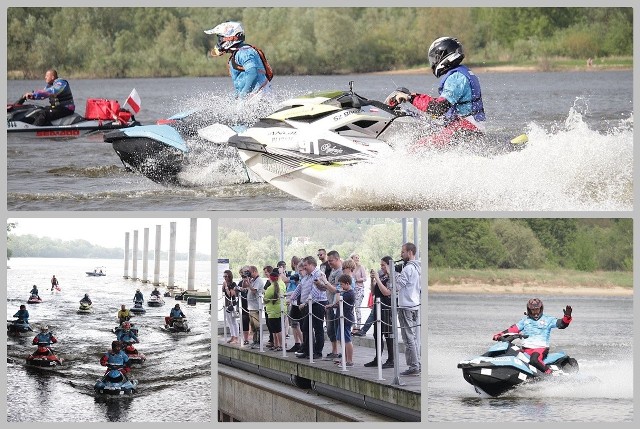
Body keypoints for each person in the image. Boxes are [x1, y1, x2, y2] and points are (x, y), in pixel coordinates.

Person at [384, 37, 485, 147]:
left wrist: (410, 98)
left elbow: (438, 108)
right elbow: (440, 106)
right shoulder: (462, 73)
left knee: (416, 147)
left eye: (435, 58)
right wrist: (412, 96)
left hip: (465, 129)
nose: (434, 62)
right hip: (465, 128)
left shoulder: (457, 77)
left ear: (444, 55)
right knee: (421, 135)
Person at [493, 298, 573, 374]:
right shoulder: (524, 320)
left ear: (541, 309)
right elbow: (511, 330)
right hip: (526, 349)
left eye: (537, 309)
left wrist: (567, 318)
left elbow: (562, 324)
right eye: (533, 310)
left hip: (540, 348)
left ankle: (549, 373)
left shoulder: (548, 319)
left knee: (534, 360)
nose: (535, 312)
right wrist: (498, 335)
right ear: (529, 310)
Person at [204, 21, 272, 98]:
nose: (219, 43)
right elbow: (239, 86)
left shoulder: (244, 52)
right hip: (252, 96)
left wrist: (244, 95)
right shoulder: (238, 53)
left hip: (257, 96)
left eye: (220, 39)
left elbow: (253, 73)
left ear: (230, 38)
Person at [290, 256, 328, 359]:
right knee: (305, 328)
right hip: (307, 304)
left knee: (318, 328)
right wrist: (291, 298)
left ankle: (318, 352)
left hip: (318, 304)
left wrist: (305, 303)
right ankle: (307, 350)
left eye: (306, 265)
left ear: (311, 264)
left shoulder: (318, 274)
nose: (304, 267)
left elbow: (315, 291)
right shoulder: (306, 276)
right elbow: (300, 287)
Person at [395, 242, 422, 376]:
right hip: (415, 305)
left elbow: (397, 286)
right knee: (414, 337)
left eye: (403, 252)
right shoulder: (418, 268)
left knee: (408, 338)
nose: (401, 254)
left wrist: (392, 275)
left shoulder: (408, 269)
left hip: (406, 305)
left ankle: (414, 366)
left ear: (410, 252)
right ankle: (417, 364)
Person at [364, 256, 394, 368]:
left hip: (386, 307)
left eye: (383, 265)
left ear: (389, 265)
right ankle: (377, 358)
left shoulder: (393, 276)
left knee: (388, 334)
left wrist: (377, 278)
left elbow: (386, 292)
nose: (381, 267)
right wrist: (373, 279)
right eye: (380, 265)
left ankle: (391, 359)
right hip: (378, 306)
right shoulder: (381, 275)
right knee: (377, 333)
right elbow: (373, 291)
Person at [326, 274, 355, 367]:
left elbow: (338, 302)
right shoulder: (346, 292)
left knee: (347, 339)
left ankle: (349, 360)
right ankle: (345, 359)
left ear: (347, 284)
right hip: (341, 317)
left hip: (346, 319)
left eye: (342, 284)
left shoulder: (349, 293)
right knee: (342, 339)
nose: (341, 286)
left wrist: (338, 293)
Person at [264, 268, 285, 351]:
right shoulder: (281, 284)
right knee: (279, 328)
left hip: (272, 311)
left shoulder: (270, 288)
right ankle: (279, 345)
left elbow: (265, 299)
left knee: (275, 330)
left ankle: (278, 345)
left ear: (270, 279)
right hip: (280, 309)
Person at [244, 266, 264, 348]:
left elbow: (254, 290)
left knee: (257, 325)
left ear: (255, 271)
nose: (249, 274)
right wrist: (246, 280)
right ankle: (255, 341)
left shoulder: (258, 280)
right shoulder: (252, 280)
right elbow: (245, 287)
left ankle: (259, 342)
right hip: (251, 307)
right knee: (253, 326)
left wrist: (249, 284)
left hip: (256, 307)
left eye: (250, 272)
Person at [350, 253, 367, 333]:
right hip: (352, 289)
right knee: (351, 308)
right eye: (355, 257)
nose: (357, 259)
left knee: (357, 307)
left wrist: (357, 279)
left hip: (359, 288)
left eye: (358, 257)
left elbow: (365, 278)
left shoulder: (361, 267)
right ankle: (354, 326)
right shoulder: (351, 268)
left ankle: (359, 325)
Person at [222, 270, 239, 345]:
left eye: (226, 276)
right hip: (226, 304)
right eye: (224, 276)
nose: (225, 278)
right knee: (229, 321)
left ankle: (236, 337)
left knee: (233, 321)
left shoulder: (233, 284)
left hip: (232, 304)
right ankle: (232, 336)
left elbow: (230, 294)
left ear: (229, 276)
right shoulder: (225, 283)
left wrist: (226, 287)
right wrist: (224, 286)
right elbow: (223, 293)